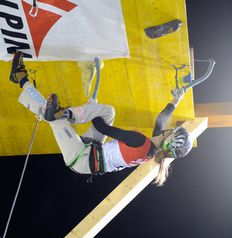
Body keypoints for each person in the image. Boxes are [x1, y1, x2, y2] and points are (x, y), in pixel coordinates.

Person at [9, 50, 193, 186]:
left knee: (53, 118)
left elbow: (102, 127)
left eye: (172, 131)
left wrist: (91, 109)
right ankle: (62, 112)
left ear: (170, 136)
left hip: (79, 157)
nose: (168, 128)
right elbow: (161, 119)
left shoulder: (141, 142)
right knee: (108, 112)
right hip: (92, 149)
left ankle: (21, 78)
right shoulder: (152, 147)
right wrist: (177, 99)